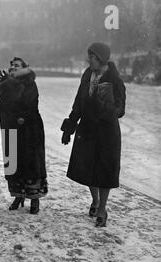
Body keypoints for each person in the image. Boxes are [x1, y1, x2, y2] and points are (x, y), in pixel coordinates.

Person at [61, 42, 126, 228]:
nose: (88, 59)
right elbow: (78, 104)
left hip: (107, 132)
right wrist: (69, 128)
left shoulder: (115, 80)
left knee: (105, 172)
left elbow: (120, 109)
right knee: (88, 169)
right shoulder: (87, 76)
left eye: (92, 57)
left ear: (101, 59)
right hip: (87, 130)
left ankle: (102, 209)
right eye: (89, 56)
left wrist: (105, 105)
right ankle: (95, 200)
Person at [0, 57, 48, 214]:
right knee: (13, 164)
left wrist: (20, 117)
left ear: (24, 68)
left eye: (17, 65)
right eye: (11, 65)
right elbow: (0, 105)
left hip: (29, 129)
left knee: (31, 164)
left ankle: (34, 198)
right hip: (10, 128)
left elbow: (29, 103)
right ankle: (18, 196)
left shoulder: (28, 82)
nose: (12, 67)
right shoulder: (7, 84)